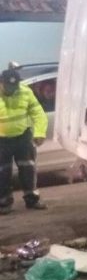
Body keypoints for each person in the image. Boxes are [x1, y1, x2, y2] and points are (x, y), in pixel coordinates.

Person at [0, 63, 48, 214]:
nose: (12, 89)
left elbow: (38, 113)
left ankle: (32, 199)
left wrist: (40, 133)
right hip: (2, 140)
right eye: (8, 86)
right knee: (2, 172)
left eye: (15, 86)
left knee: (28, 169)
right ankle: (4, 203)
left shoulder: (25, 92)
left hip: (23, 137)